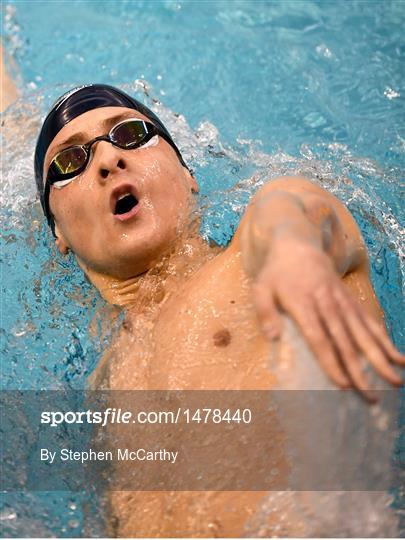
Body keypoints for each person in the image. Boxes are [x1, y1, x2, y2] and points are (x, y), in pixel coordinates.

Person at [34, 84, 404, 537]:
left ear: (188, 173)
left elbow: (293, 208)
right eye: (70, 162)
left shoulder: (255, 264)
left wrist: (296, 251)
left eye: (131, 134)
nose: (109, 160)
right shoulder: (101, 387)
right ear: (59, 235)